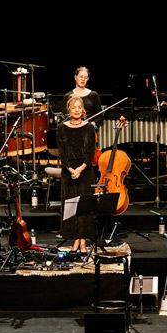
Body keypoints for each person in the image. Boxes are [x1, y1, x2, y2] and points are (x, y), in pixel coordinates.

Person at [58, 95, 96, 254]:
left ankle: (83, 242)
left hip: (85, 170)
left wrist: (80, 169)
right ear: (68, 110)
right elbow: (61, 151)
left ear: (83, 111)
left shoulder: (89, 127)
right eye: (73, 108)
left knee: (84, 207)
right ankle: (75, 239)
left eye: (79, 108)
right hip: (69, 171)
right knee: (71, 206)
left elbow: (91, 152)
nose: (76, 110)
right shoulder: (61, 127)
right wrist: (69, 168)